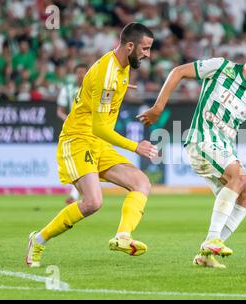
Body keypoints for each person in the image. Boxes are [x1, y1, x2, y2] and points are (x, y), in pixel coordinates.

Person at [137, 35, 246, 269]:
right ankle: (213, 238)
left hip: (223, 148)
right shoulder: (222, 67)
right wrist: (158, 107)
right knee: (241, 176)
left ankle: (206, 253)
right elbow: (178, 72)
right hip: (200, 140)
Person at [26, 22, 158, 267]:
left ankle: (123, 236)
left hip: (97, 141)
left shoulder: (121, 66)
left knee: (141, 183)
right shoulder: (109, 74)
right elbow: (99, 127)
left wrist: (118, 87)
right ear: (130, 45)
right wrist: (134, 146)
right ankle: (39, 239)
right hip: (77, 139)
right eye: (145, 48)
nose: (147, 55)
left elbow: (97, 93)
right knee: (92, 203)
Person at [56, 63, 88, 205]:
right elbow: (60, 110)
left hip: (88, 130)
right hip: (72, 131)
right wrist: (68, 120)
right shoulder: (67, 89)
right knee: (78, 162)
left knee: (84, 162)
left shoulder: (92, 88)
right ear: (74, 74)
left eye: (83, 72)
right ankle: (78, 194)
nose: (81, 75)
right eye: (78, 72)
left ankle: (77, 194)